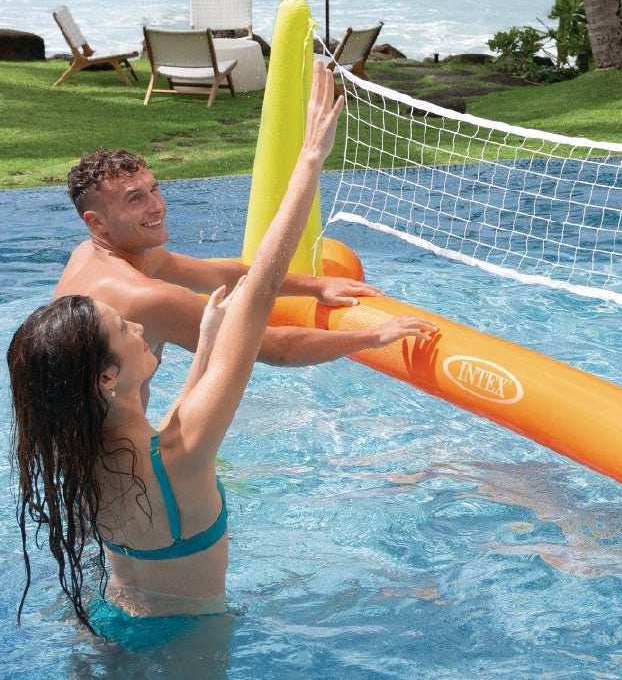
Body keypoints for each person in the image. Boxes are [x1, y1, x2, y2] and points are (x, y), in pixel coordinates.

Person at [7, 61, 437, 639]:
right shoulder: (181, 454)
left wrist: (211, 346)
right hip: (185, 645)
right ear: (108, 376)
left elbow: (215, 303)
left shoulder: (82, 452)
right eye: (127, 331)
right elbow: (258, 300)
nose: (140, 331)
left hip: (105, 620)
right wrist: (310, 162)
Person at [55, 139, 428, 376]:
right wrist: (373, 336)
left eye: (155, 189)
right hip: (117, 464)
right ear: (96, 222)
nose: (157, 206)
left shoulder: (93, 255)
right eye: (135, 198)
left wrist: (314, 286)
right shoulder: (146, 297)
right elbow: (274, 349)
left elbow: (219, 274)